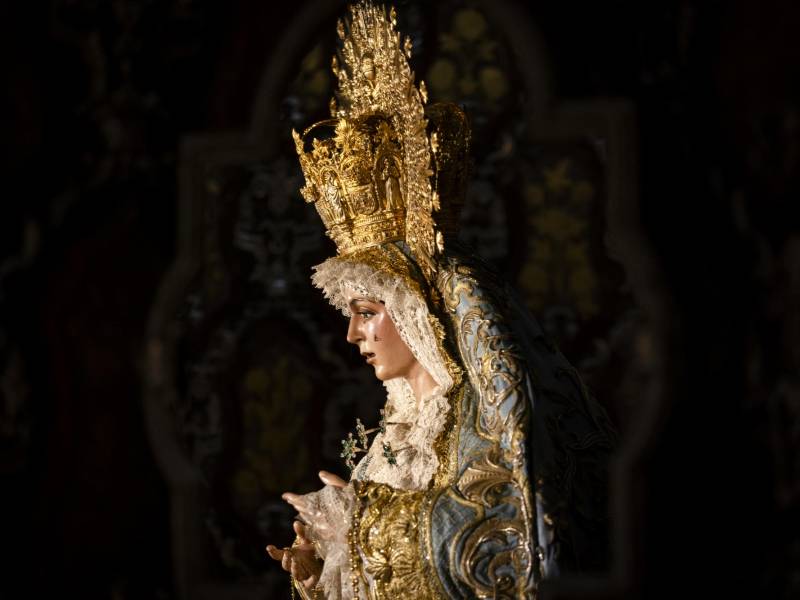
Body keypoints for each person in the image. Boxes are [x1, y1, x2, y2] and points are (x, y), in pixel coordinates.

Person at [267, 3, 616, 598]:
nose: (353, 335)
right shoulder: (394, 434)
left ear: (416, 314)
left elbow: (504, 543)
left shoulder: (486, 423)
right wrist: (322, 566)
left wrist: (359, 524)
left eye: (367, 312)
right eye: (352, 314)